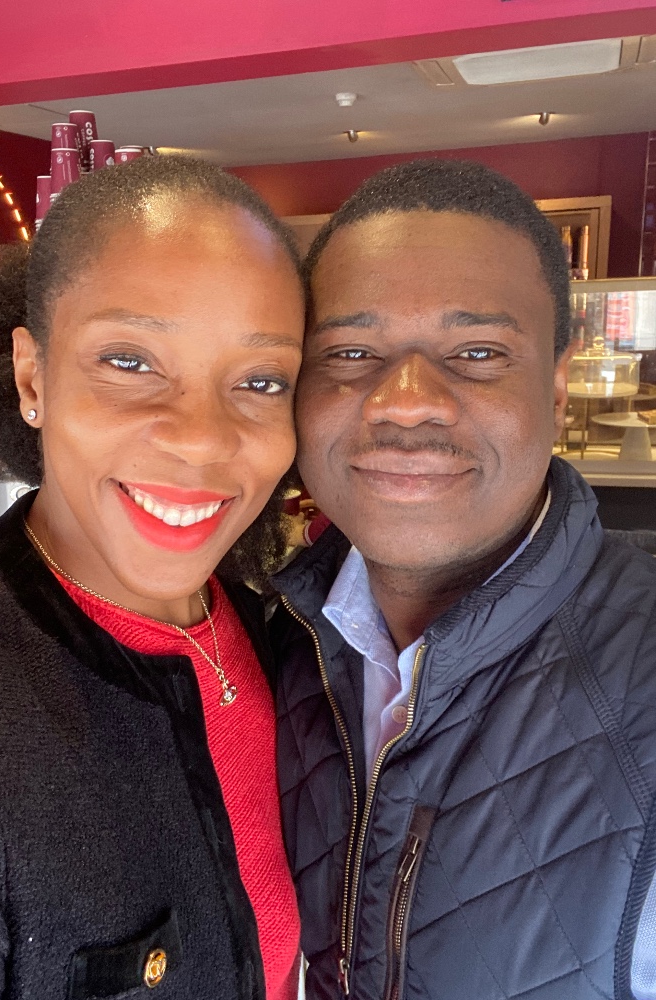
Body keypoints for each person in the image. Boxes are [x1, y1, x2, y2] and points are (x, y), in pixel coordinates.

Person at [0, 155, 305, 1000]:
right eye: (129, 361)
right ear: (32, 377)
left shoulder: (284, 635)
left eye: (260, 380)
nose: (201, 438)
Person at [272, 160, 656, 1000]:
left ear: (558, 384)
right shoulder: (260, 648)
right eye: (351, 351)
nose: (406, 402)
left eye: (478, 353)